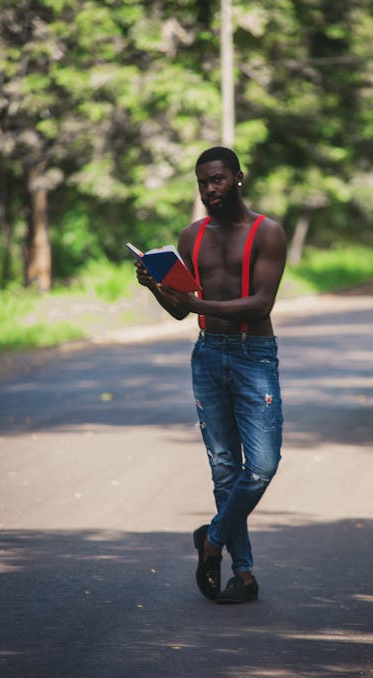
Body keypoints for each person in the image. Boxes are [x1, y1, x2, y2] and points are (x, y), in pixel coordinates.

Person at [135, 146, 286, 603]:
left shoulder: (267, 232)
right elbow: (181, 312)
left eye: (218, 179)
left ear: (239, 177)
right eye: (202, 182)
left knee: (260, 466)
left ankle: (212, 539)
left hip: (253, 353)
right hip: (208, 354)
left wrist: (196, 304)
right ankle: (244, 576)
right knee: (224, 468)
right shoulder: (191, 237)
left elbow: (262, 303)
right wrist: (156, 288)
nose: (209, 189)